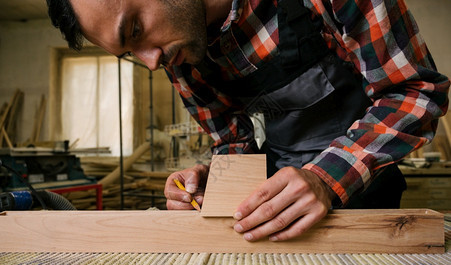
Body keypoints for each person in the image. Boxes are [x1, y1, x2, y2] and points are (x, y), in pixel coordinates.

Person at [47, 0, 449, 242]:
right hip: (273, 214)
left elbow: (416, 91)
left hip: (367, 203)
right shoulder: (181, 55)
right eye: (129, 52)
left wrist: (325, 178)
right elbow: (232, 143)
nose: (150, 62)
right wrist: (212, 183)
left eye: (135, 29)